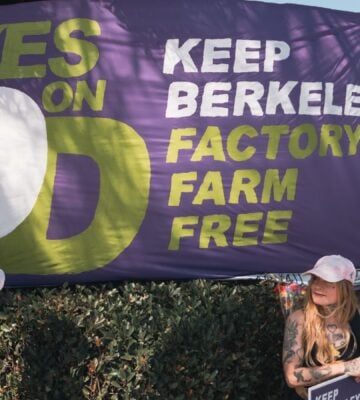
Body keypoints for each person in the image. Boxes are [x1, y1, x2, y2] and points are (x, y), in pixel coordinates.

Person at [282, 255, 360, 400]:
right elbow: (292, 377)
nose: (317, 286)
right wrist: (346, 367)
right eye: (315, 279)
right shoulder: (299, 319)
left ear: (345, 288)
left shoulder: (357, 316)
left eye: (327, 281)